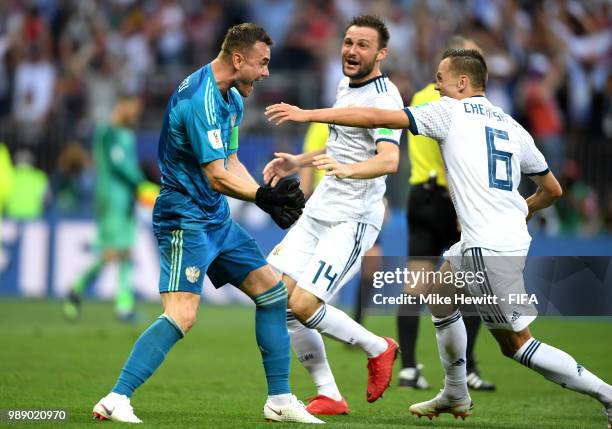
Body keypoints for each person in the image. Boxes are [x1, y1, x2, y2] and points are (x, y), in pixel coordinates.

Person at [265, 48, 612, 427]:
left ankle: (607, 395)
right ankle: (455, 391)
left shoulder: (449, 111)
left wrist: (310, 114)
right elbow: (553, 189)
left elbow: (377, 117)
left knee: (517, 345)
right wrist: (520, 211)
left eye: (441, 77)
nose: (436, 84)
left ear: (463, 83)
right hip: (490, 239)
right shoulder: (512, 126)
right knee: (438, 295)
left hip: (487, 247)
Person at [92, 23, 322, 424]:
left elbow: (231, 163)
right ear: (238, 59)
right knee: (182, 313)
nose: (267, 72)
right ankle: (117, 398)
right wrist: (262, 197)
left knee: (271, 295)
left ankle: (281, 400)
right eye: (262, 63)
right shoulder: (201, 100)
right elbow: (215, 174)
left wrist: (264, 200)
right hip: (185, 219)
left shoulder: (230, 95)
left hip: (215, 217)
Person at [263, 15, 400, 416]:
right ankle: (329, 394)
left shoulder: (385, 99)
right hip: (320, 210)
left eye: (362, 45)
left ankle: (379, 347)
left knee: (304, 304)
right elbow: (342, 147)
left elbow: (389, 160)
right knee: (276, 298)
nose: (352, 51)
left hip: (352, 218)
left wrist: (351, 171)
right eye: (348, 42)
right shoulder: (345, 85)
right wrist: (298, 162)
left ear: (381, 53)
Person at [397, 35, 495, 392]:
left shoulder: (421, 97)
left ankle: (408, 369)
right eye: (472, 56)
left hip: (419, 196)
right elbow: (453, 159)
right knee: (472, 287)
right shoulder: (455, 105)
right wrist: (462, 206)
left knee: (416, 286)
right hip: (448, 199)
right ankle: (467, 368)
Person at [63, 95, 146, 322]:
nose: (136, 114)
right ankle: (77, 287)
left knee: (126, 250)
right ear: (122, 106)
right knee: (112, 251)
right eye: (134, 108)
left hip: (126, 199)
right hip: (112, 198)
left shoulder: (124, 133)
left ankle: (124, 306)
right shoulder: (108, 132)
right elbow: (120, 165)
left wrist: (137, 188)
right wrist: (142, 184)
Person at [299, 122, 382, 326]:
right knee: (318, 269)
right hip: (328, 207)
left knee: (372, 263)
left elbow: (380, 162)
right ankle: (314, 316)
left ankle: (358, 320)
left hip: (364, 204)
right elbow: (307, 165)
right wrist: (302, 200)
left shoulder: (372, 122)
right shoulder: (320, 126)